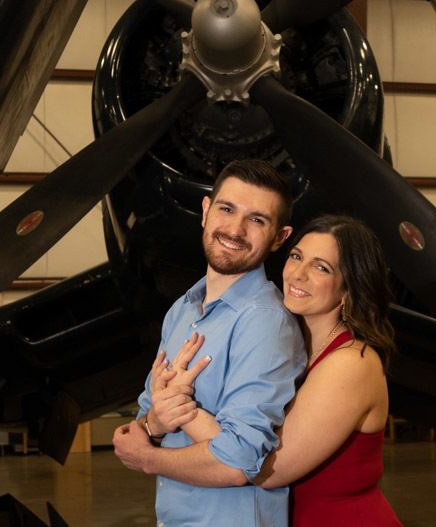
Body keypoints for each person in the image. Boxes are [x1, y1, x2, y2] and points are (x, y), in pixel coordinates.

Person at [127, 214, 401, 526]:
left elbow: (267, 469)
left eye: (321, 267)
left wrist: (180, 404)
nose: (298, 273)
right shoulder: (284, 339)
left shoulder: (352, 362)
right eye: (297, 256)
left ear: (350, 287)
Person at [113, 159, 307, 527]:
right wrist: (155, 421)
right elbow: (141, 423)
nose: (235, 229)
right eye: (226, 208)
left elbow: (238, 462)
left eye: (257, 219)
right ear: (205, 211)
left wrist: (160, 441)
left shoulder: (265, 323)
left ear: (279, 237)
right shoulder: (181, 311)